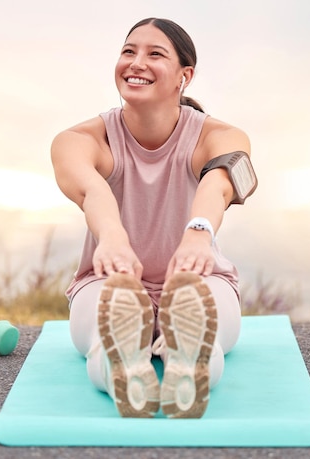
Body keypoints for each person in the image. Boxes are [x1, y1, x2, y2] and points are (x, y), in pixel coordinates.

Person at [50, 17, 257, 419]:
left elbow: (221, 182)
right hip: (110, 281)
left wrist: (199, 232)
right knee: (104, 338)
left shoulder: (218, 136)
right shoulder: (80, 140)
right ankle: (127, 371)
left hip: (200, 279)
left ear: (185, 76)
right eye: (128, 51)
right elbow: (92, 190)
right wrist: (111, 237)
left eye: (154, 54)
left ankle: (187, 362)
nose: (135, 62)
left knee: (202, 340)